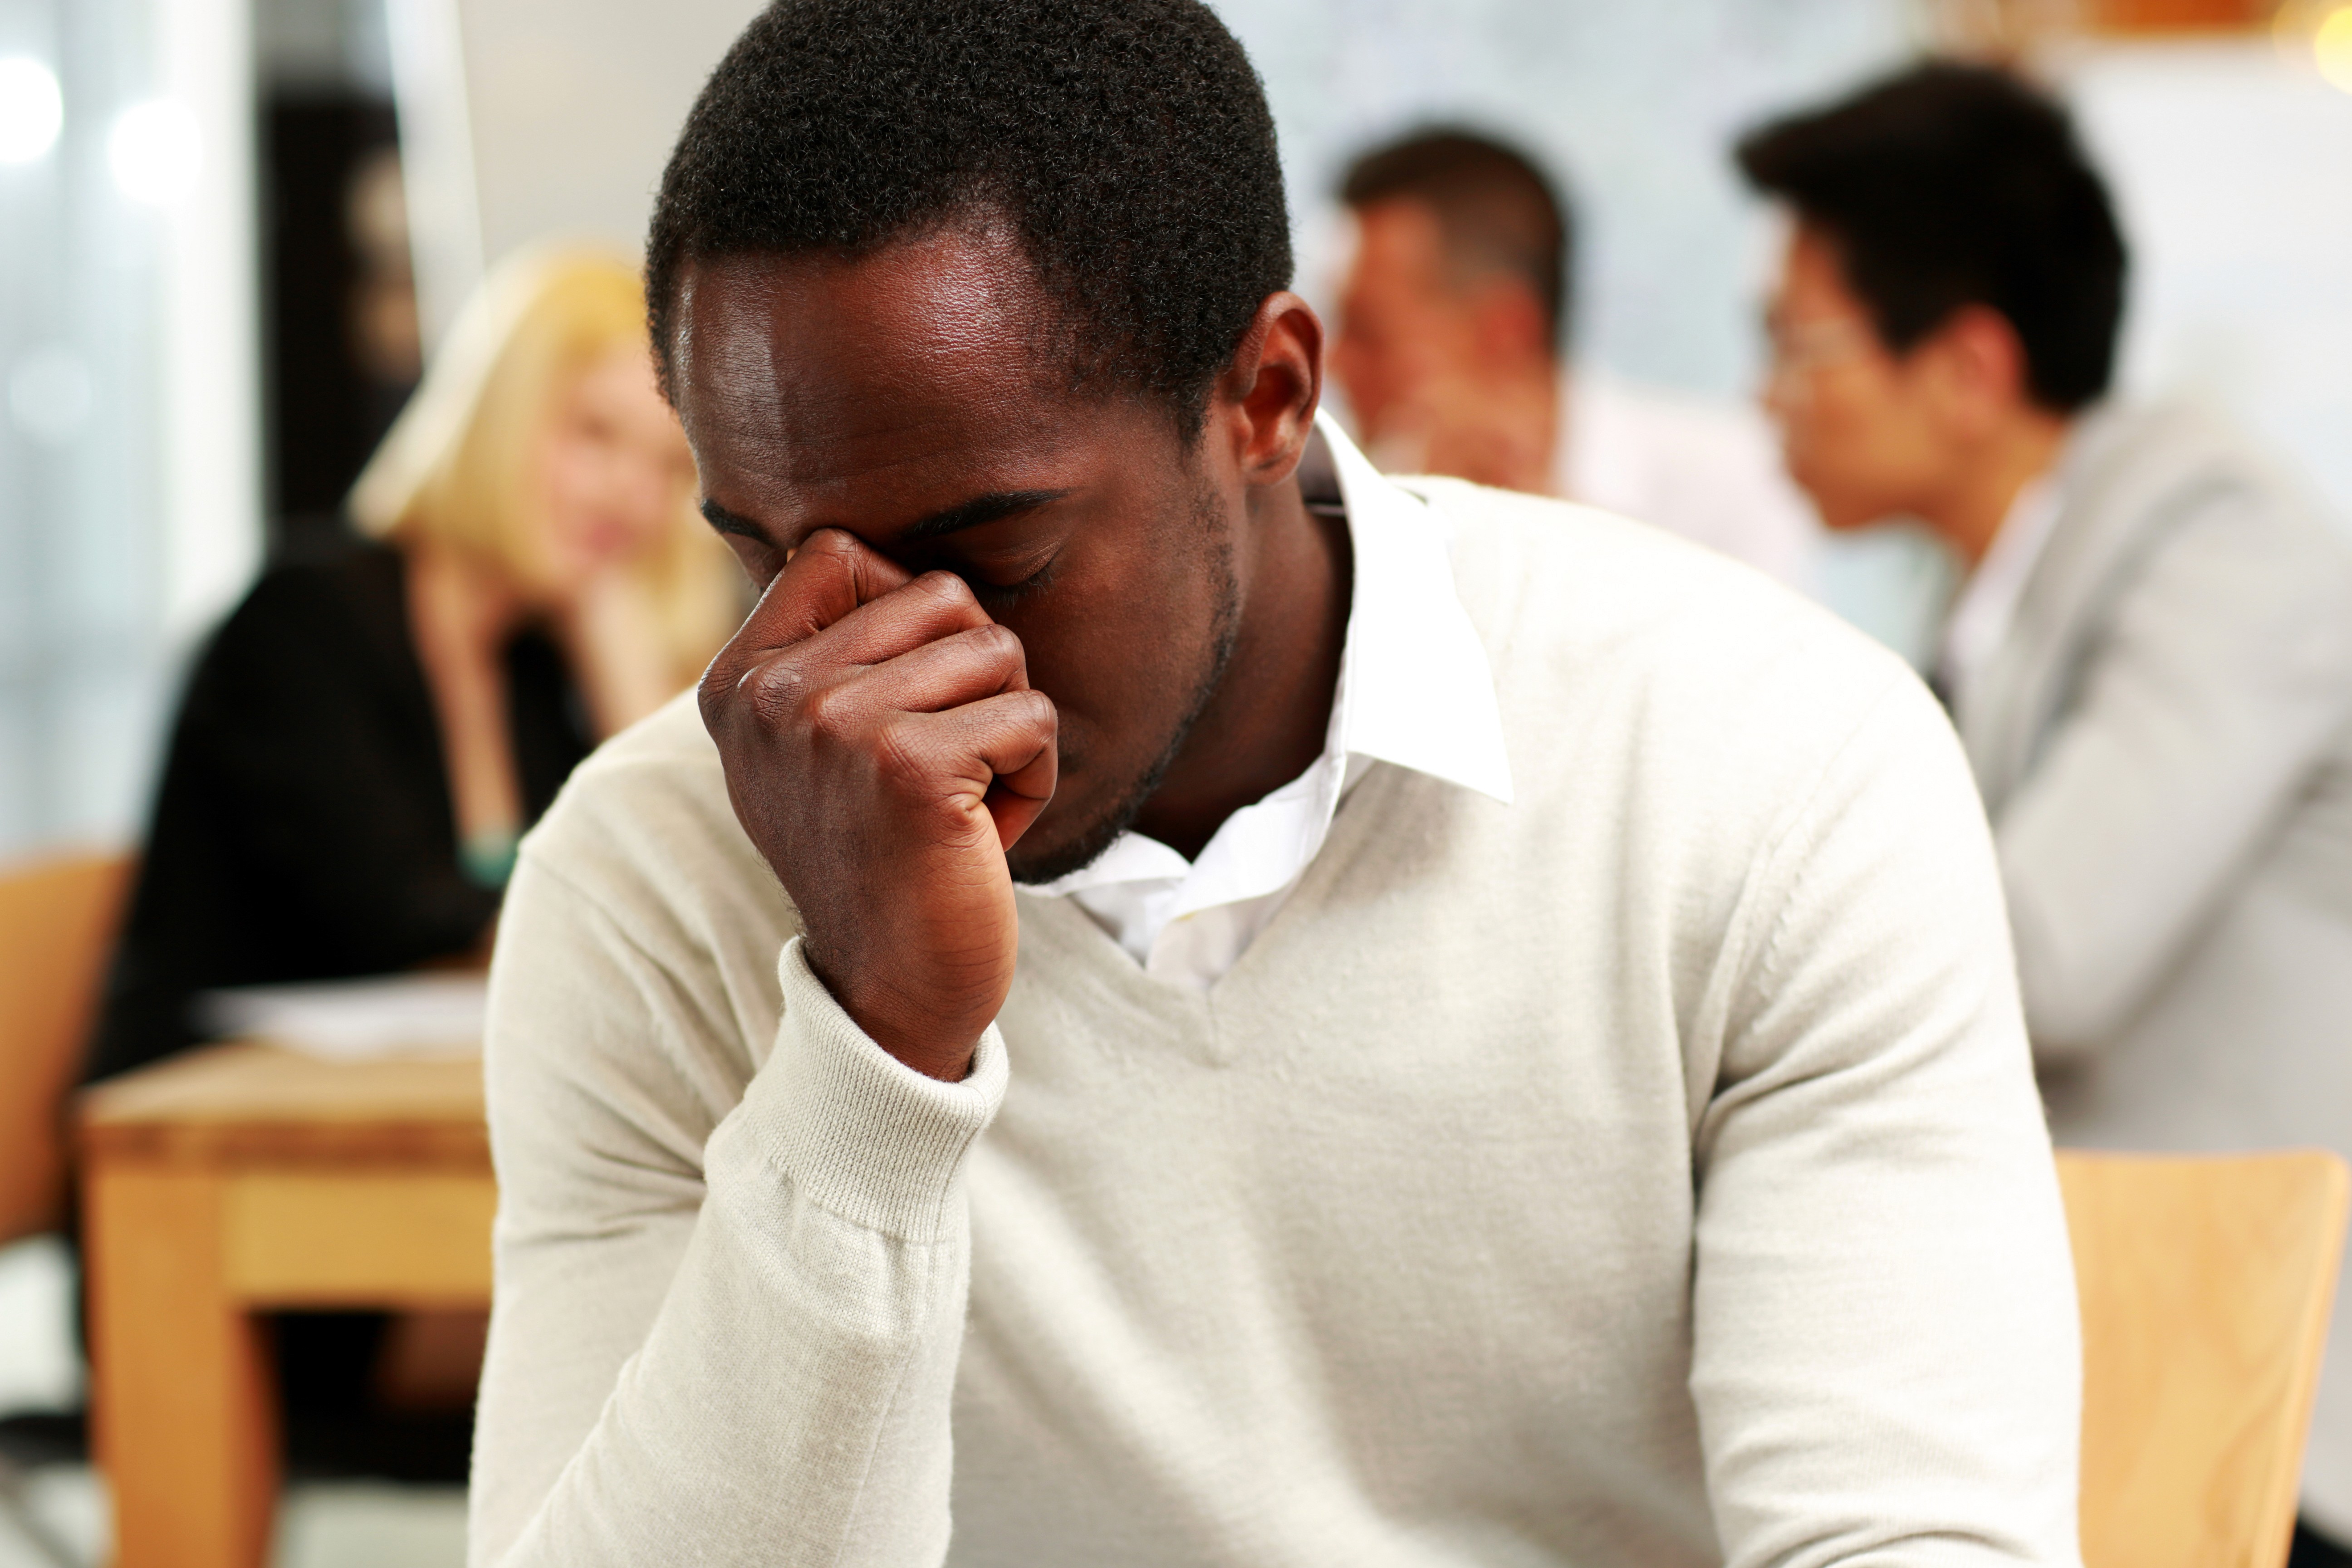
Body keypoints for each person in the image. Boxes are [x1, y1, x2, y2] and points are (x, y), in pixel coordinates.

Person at [468, 5, 2083, 1564]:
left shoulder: (1766, 773)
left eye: (991, 552)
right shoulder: (653, 876)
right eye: (766, 553)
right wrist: (876, 1050)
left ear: (1268, 396)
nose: (856, 677)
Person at [1739, 62, 2352, 1565]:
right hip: (2097, 1369)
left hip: (2259, 1413)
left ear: (1965, 363)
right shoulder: (1995, 592)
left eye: (1797, 345)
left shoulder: (2225, 549)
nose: (1768, 396)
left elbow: (2047, 952)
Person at [87, 248, 735, 1083]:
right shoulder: (303, 619)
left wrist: (621, 666)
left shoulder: (534, 665)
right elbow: (396, 915)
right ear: (499, 415)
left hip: (410, 1105)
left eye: (668, 466)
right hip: (201, 1127)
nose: (633, 498)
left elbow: (672, 900)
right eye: (594, 434)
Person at [1330, 129, 1820, 589]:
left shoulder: (1730, 483)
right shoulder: (1361, 505)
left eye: (1368, 334)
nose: (1332, 362)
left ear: (1503, 333)